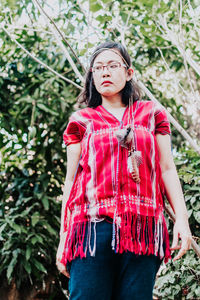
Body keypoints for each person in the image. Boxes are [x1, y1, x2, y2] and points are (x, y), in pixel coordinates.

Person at [56, 41, 192, 300]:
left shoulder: (152, 114)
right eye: (98, 68)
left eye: (112, 65)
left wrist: (182, 221)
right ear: (92, 77)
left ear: (129, 73)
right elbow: (71, 182)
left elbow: (167, 169)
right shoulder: (82, 120)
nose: (105, 72)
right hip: (90, 230)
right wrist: (64, 238)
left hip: (143, 227)